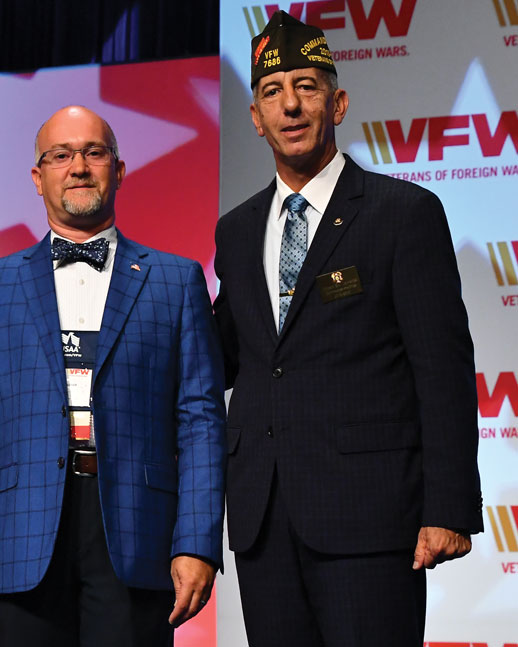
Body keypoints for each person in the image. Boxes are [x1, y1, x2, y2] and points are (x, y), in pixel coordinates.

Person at [213, 11, 482, 647]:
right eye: (273, 93)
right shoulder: (238, 228)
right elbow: (231, 353)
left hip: (371, 519)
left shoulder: (403, 214)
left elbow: (441, 369)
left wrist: (446, 509)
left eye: (307, 87)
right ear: (255, 117)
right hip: (263, 519)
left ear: (338, 102)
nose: (291, 106)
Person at [0, 105, 226, 647]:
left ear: (118, 170)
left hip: (138, 530)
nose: (78, 167)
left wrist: (197, 541)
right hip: (22, 531)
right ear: (37, 176)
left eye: (94, 153)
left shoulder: (176, 280)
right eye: (61, 155)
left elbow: (202, 422)